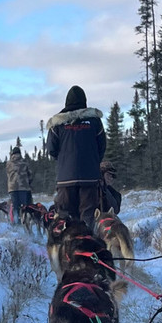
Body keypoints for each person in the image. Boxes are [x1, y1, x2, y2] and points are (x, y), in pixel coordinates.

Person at [45, 85, 106, 226]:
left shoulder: (57, 123)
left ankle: (68, 244)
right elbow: (102, 146)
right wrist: (94, 162)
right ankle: (86, 243)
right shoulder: (95, 121)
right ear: (84, 101)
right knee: (88, 214)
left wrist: (63, 162)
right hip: (90, 177)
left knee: (65, 215)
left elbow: (51, 149)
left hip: (65, 179)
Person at [6, 147, 33, 223]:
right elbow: (30, 175)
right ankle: (25, 222)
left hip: (12, 188)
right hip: (23, 187)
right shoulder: (25, 162)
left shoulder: (8, 163)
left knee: (15, 206)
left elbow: (8, 174)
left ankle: (16, 223)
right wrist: (28, 183)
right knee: (24, 207)